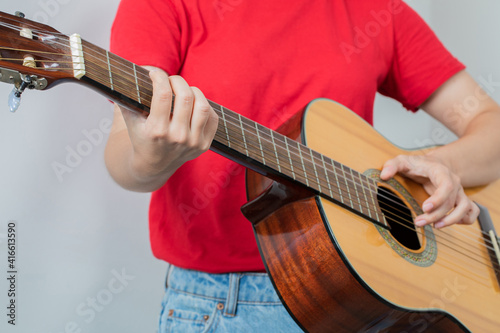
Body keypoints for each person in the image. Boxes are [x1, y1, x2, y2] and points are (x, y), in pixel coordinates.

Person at [105, 0, 500, 331]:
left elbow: (491, 128)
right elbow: (124, 158)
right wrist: (152, 155)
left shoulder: (378, 10)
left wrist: (438, 165)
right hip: (224, 306)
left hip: (371, 303)